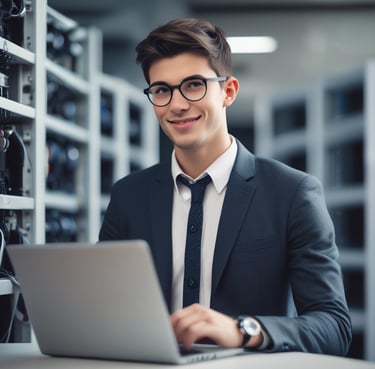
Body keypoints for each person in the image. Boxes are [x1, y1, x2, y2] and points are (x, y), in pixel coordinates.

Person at [99, 18, 351, 355]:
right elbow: (103, 311)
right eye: (161, 90)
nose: (176, 105)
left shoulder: (292, 193)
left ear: (228, 91)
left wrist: (243, 329)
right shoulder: (128, 195)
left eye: (193, 85)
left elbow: (334, 326)